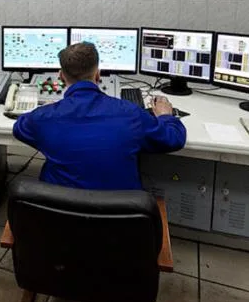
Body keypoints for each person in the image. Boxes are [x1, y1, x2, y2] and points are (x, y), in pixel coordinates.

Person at [13, 41, 186, 190]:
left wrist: (45, 111)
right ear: (98, 74)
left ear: (61, 76)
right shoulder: (130, 113)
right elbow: (174, 139)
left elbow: (19, 128)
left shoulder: (44, 118)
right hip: (120, 214)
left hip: (58, 212)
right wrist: (165, 116)